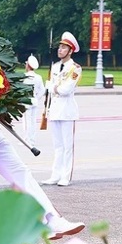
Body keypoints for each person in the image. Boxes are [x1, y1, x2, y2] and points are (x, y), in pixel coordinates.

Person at [42, 32, 82, 187]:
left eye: (64, 47)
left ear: (70, 51)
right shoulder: (55, 67)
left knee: (67, 146)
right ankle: (55, 174)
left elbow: (65, 90)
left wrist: (51, 87)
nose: (60, 50)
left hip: (67, 110)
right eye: (59, 47)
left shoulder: (75, 68)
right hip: (55, 109)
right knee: (57, 146)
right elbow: (53, 90)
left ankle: (65, 176)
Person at [22, 55, 45, 147]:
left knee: (27, 122)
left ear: (28, 65)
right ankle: (32, 140)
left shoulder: (24, 77)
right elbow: (42, 90)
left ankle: (27, 141)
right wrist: (36, 97)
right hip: (34, 101)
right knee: (33, 121)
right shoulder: (38, 77)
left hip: (26, 102)